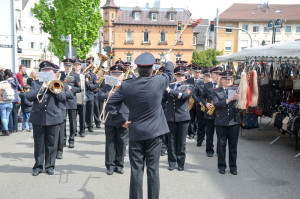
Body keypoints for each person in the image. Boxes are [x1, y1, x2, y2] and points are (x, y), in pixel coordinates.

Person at [106, 52, 174, 199]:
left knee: (136, 171)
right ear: (151, 69)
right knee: (153, 171)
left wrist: (121, 121)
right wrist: (168, 60)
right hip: (155, 134)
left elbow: (110, 105)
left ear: (137, 69)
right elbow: (169, 73)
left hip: (136, 132)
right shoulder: (159, 81)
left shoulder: (126, 85)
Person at [27, 61, 66, 176]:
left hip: (53, 117)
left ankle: (49, 166)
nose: (46, 72)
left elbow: (63, 97)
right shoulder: (35, 83)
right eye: (43, 70)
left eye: (48, 70)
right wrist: (42, 88)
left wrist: (52, 87)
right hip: (38, 118)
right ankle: (38, 166)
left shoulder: (57, 83)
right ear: (40, 72)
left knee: (52, 144)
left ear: (52, 72)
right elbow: (29, 97)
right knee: (39, 143)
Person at [162, 65, 193, 171]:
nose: (181, 77)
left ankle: (181, 163)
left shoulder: (189, 86)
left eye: (183, 75)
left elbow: (183, 96)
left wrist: (170, 91)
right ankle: (171, 161)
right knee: (171, 140)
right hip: (170, 116)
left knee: (181, 142)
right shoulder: (169, 86)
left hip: (183, 117)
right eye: (179, 75)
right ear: (174, 76)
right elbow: (163, 99)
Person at [100, 64, 129, 175]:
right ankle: (110, 165)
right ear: (110, 74)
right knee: (110, 142)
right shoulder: (107, 85)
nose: (116, 76)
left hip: (123, 116)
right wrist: (107, 94)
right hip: (110, 116)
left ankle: (119, 165)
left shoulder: (126, 85)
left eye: (118, 74)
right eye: (114, 74)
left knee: (122, 141)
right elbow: (99, 95)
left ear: (122, 75)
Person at [213, 70, 241, 175]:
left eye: (229, 79)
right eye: (225, 79)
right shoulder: (216, 90)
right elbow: (216, 104)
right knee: (221, 145)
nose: (227, 80)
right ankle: (221, 166)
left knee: (233, 146)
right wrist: (229, 100)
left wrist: (240, 99)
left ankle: (233, 167)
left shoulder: (237, 89)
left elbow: (242, 104)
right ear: (221, 80)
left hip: (234, 121)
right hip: (221, 121)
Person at [199, 66, 222, 157]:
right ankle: (209, 150)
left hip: (220, 113)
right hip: (210, 112)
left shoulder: (222, 85)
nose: (218, 76)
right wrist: (206, 103)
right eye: (216, 74)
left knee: (220, 134)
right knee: (209, 132)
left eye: (219, 74)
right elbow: (201, 97)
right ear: (212, 75)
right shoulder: (207, 85)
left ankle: (220, 150)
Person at [54, 64, 74, 159]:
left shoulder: (64, 84)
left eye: (55, 72)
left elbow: (70, 95)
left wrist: (62, 93)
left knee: (61, 133)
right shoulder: (44, 84)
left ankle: (59, 150)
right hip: (50, 112)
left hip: (60, 111)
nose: (54, 74)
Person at [60, 58, 81, 148]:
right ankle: (63, 140)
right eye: (66, 65)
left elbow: (79, 88)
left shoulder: (75, 75)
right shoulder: (60, 75)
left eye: (69, 66)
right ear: (64, 66)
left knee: (73, 122)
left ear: (71, 66)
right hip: (63, 101)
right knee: (63, 122)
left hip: (71, 101)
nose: (67, 67)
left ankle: (71, 139)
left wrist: (72, 89)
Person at [189, 65, 205, 146]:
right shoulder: (189, 80)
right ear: (193, 72)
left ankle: (199, 133)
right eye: (195, 72)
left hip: (199, 104)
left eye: (198, 72)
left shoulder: (202, 81)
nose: (197, 73)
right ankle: (191, 133)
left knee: (199, 121)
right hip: (190, 103)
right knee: (191, 119)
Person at [83, 57, 98, 132]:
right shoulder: (81, 74)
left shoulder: (93, 75)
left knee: (91, 111)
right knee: (84, 112)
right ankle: (85, 123)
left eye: (88, 65)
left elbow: (96, 85)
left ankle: (90, 125)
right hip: (82, 95)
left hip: (90, 95)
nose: (86, 67)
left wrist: (88, 83)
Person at [7, 69, 22, 133]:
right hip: (15, 98)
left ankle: (10, 129)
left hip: (10, 98)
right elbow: (19, 88)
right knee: (15, 114)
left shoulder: (7, 81)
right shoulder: (15, 80)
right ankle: (15, 128)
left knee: (10, 114)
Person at [0, 70, 14, 136]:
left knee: (3, 117)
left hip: (2, 103)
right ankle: (5, 129)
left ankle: (6, 130)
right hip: (10, 102)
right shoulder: (8, 84)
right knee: (7, 117)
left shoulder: (0, 85)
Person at [75, 59, 86, 137]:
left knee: (82, 116)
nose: (77, 66)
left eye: (78, 65)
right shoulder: (71, 74)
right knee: (73, 117)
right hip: (74, 98)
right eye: (75, 65)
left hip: (82, 97)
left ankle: (82, 130)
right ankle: (74, 130)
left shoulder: (84, 74)